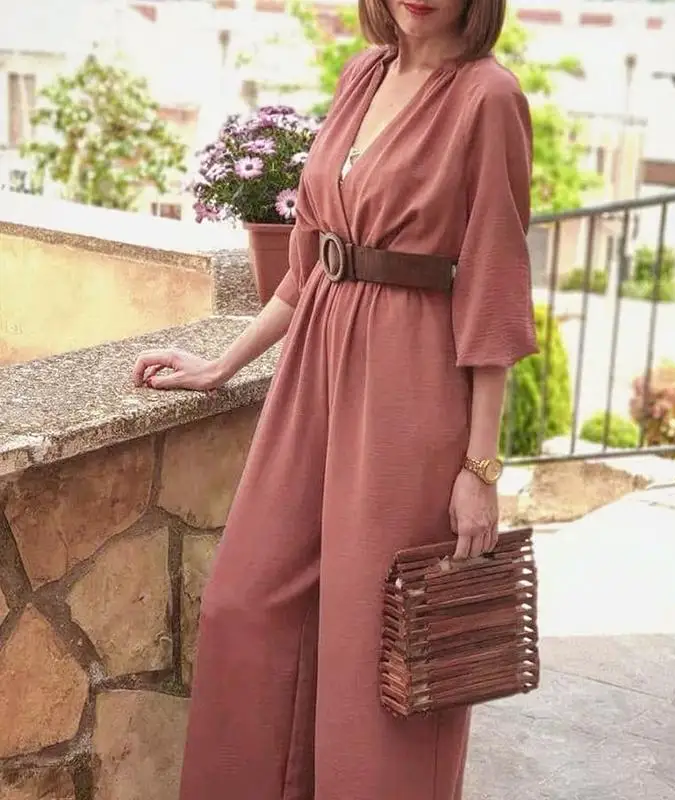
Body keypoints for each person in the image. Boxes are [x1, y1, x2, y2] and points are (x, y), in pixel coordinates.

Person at [132, 0, 537, 794]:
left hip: (410, 391)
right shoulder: (362, 75)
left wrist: (480, 469)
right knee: (247, 602)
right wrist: (222, 365)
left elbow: (494, 286)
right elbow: (311, 263)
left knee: (375, 648)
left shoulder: (488, 97)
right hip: (314, 373)